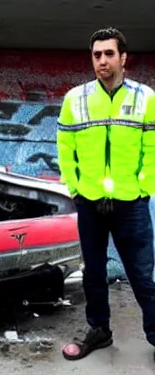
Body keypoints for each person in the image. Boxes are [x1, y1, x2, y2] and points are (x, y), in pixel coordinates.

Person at [57, 27, 155, 361]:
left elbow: (152, 148)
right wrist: (75, 188)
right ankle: (99, 331)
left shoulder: (145, 98)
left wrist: (144, 189)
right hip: (90, 203)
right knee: (94, 273)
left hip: (132, 204)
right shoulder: (75, 99)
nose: (102, 60)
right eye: (97, 54)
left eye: (109, 54)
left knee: (143, 275)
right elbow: (65, 147)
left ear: (123, 58)